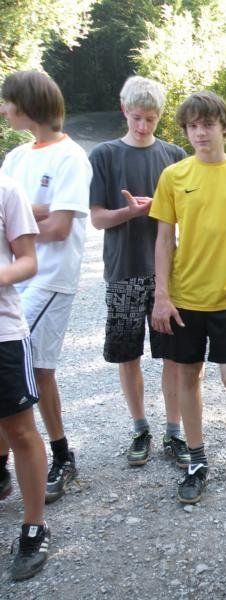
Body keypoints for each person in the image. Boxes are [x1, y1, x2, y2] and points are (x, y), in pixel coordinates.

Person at [150, 90, 226, 505]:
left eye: (208, 124)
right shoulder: (174, 176)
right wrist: (162, 295)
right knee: (188, 376)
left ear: (223, 127)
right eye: (193, 126)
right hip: (185, 297)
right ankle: (197, 461)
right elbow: (164, 239)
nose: (200, 133)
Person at [0, 70, 92, 504]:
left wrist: (28, 214)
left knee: (34, 370)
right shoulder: (16, 158)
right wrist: (35, 210)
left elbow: (58, 228)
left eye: (8, 102)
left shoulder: (71, 157)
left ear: (28, 105)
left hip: (51, 278)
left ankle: (59, 455)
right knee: (23, 370)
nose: (4, 110)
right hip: (18, 280)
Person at [88, 75, 189, 470]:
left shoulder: (174, 155)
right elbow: (97, 218)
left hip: (169, 274)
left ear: (160, 116)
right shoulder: (104, 155)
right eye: (136, 117)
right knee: (127, 353)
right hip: (124, 270)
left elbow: (189, 214)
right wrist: (129, 212)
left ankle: (174, 430)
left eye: (151, 118)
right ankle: (139, 428)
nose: (143, 126)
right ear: (123, 110)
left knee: (173, 356)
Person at [0, 174, 51, 581]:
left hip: (2, 333)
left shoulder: (6, 189)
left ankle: (35, 527)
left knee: (19, 429)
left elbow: (28, 260)